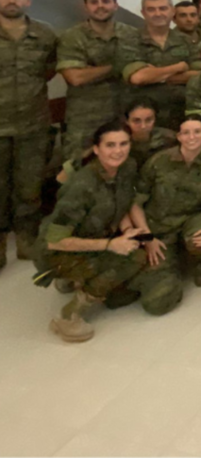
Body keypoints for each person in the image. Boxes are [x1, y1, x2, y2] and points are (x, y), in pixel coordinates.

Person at [35, 120, 147, 342]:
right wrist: (110, 245)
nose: (118, 151)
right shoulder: (82, 185)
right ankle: (68, 314)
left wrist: (128, 231)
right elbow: (54, 241)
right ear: (97, 149)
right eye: (110, 145)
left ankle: (72, 279)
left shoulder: (127, 168)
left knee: (133, 249)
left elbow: (122, 201)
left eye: (124, 144)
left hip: (92, 234)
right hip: (56, 250)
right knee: (135, 258)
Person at [129, 116, 201, 307]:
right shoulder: (159, 161)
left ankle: (196, 260)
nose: (192, 137)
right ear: (179, 136)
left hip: (191, 220)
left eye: (197, 131)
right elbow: (135, 203)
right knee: (158, 303)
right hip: (159, 229)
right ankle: (168, 265)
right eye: (186, 132)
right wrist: (147, 236)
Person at [0, 0, 57, 268]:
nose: (12, 1)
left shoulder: (44, 35)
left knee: (30, 185)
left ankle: (25, 237)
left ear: (27, 0)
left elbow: (48, 71)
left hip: (33, 123)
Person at [57, 0, 140, 160]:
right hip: (85, 119)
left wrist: (92, 70)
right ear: (86, 6)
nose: (100, 6)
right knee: (76, 169)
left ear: (115, 5)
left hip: (124, 114)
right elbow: (75, 77)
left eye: (106, 1)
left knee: (123, 165)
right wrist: (115, 67)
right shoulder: (72, 37)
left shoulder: (132, 35)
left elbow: (141, 69)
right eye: (94, 2)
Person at [121, 0, 201, 131]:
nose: (157, 13)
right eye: (151, 9)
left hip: (182, 114)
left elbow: (200, 74)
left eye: (163, 8)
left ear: (172, 11)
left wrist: (156, 75)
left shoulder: (187, 41)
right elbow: (138, 77)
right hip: (144, 119)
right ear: (143, 13)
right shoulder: (129, 40)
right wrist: (178, 67)